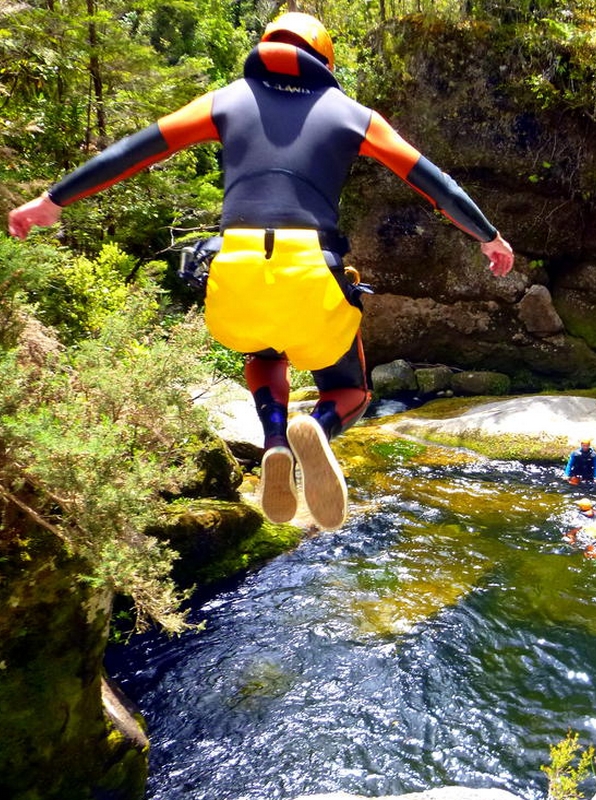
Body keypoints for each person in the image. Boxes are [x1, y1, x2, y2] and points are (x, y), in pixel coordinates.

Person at [7, 12, 514, 531]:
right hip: (311, 271)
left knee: (264, 350)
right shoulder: (354, 115)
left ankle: (274, 439)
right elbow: (436, 184)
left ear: (266, 45)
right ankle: (312, 430)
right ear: (326, 59)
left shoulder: (225, 100)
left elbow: (131, 152)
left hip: (236, 271)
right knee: (353, 392)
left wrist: (51, 201)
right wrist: (488, 237)